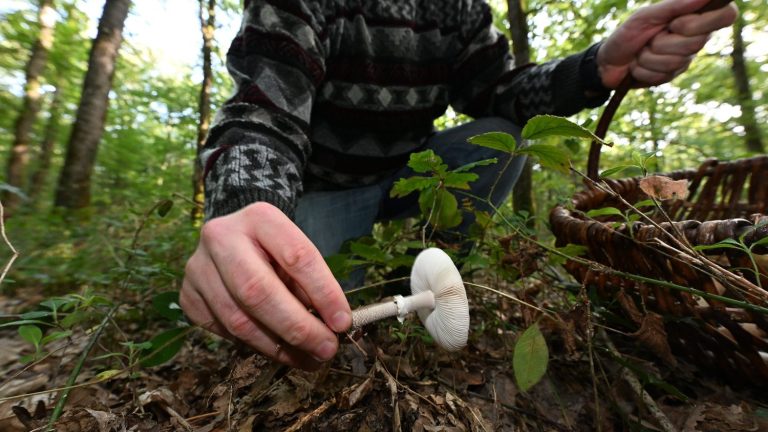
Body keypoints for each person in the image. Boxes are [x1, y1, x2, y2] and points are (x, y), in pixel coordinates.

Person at [181, 0, 738, 370]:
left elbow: (501, 93)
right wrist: (245, 207)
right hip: (323, 185)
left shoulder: (459, 7)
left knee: (500, 135)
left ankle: (437, 263)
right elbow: (264, 109)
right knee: (317, 327)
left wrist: (596, 68)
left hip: (411, 173)